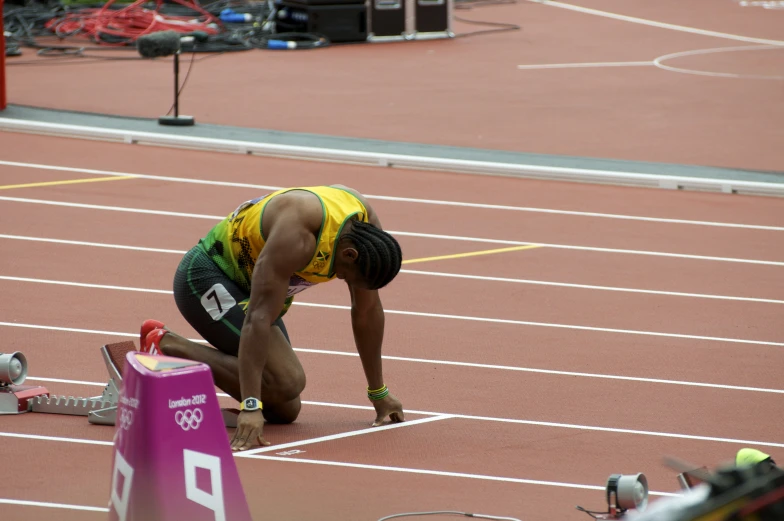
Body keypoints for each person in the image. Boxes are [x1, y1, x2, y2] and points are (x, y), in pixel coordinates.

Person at [139, 185, 405, 451]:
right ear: (349, 254)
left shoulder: (367, 234)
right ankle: (164, 345)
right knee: (288, 381)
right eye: (346, 275)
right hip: (208, 277)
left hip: (255, 290)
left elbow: (367, 312)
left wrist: (378, 392)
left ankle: (175, 350)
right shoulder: (299, 233)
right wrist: (250, 405)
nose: (343, 280)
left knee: (285, 408)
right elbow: (258, 317)